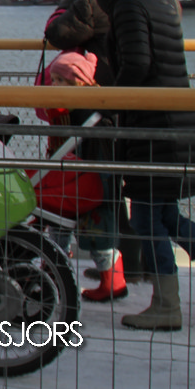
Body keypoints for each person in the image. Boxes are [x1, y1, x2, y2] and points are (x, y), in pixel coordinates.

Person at [91, 0, 195, 331]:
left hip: (152, 129)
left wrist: (111, 102)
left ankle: (167, 306)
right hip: (173, 124)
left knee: (148, 222)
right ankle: (166, 301)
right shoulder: (159, 0)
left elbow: (137, 63)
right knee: (166, 216)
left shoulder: (127, 5)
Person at [32, 50, 125, 301]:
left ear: (79, 83)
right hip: (76, 181)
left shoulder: (85, 114)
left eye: (61, 81)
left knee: (97, 235)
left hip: (89, 184)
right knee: (60, 224)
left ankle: (112, 282)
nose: (55, 85)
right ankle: (53, 270)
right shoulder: (80, 109)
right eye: (53, 80)